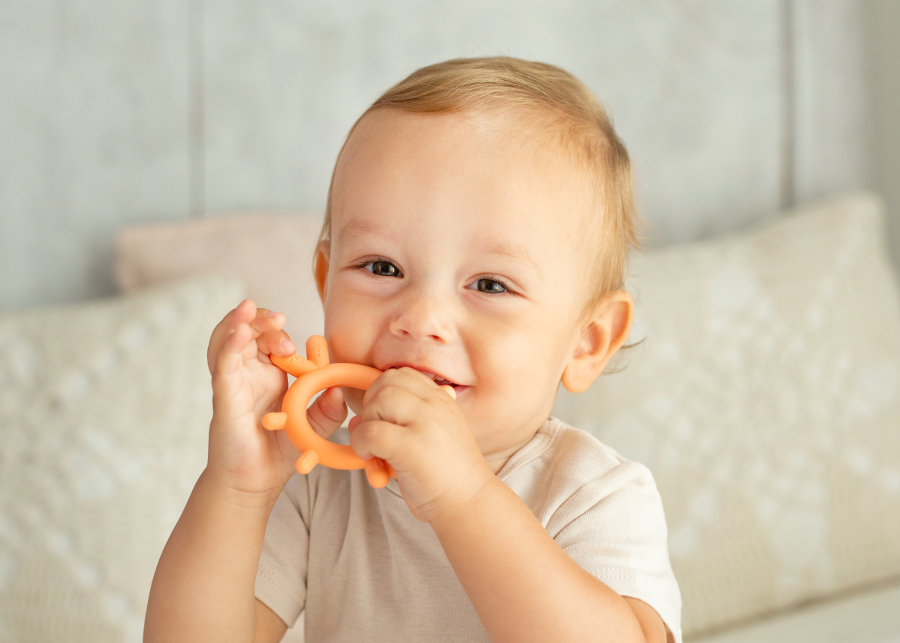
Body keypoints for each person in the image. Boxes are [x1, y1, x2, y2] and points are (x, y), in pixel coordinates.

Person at [145, 56, 681, 643]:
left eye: (490, 285)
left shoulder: (592, 493)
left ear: (588, 340)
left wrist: (462, 494)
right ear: (325, 283)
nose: (420, 319)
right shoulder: (317, 479)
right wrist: (237, 488)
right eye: (382, 266)